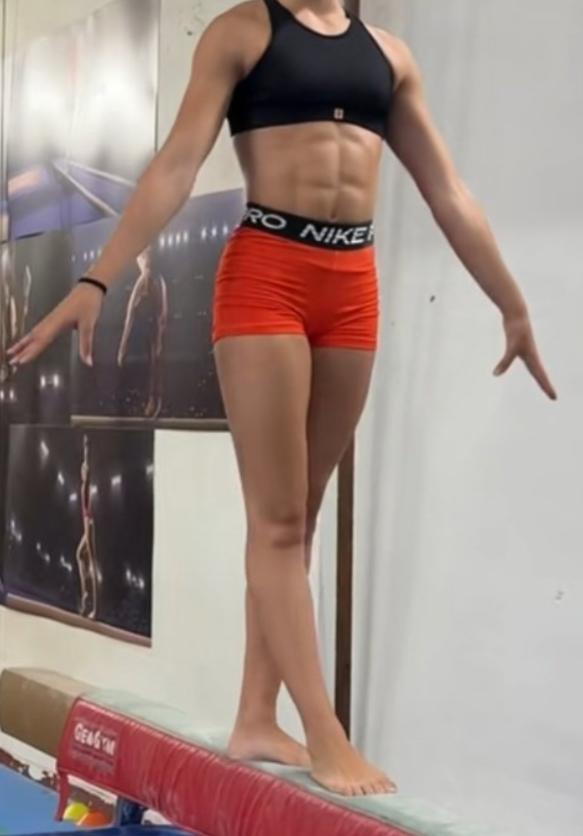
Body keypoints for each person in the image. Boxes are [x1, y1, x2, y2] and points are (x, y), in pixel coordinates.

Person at [8, 0, 557, 797]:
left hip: (352, 284)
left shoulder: (389, 57)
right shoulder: (245, 32)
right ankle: (325, 732)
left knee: (302, 514)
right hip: (268, 273)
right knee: (276, 520)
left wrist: (510, 302)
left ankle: (256, 713)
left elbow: (446, 188)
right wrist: (98, 279)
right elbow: (176, 163)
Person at [116, 246, 168, 419]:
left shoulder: (152, 279)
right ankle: (151, 400)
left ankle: (153, 400)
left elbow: (132, 316)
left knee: (155, 363)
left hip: (152, 329)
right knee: (154, 363)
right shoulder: (154, 279)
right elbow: (133, 315)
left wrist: (122, 347)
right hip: (149, 329)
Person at [75, 434, 99, 619]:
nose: (82, 470)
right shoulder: (84, 486)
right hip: (87, 525)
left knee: (92, 563)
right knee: (79, 555)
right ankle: (85, 594)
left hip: (89, 525)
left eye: (84, 469)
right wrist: (85, 448)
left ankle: (95, 609)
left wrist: (86, 447)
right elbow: (85, 464)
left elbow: (87, 464)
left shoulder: (86, 486)